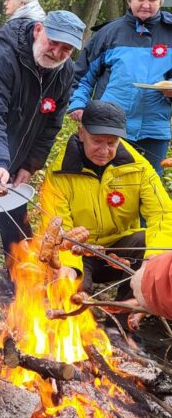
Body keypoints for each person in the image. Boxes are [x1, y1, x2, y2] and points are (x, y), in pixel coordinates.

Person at [0, 10, 85, 298]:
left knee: (15, 217)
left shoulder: (65, 72)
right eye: (53, 42)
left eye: (66, 48)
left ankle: (23, 282)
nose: (57, 52)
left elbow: (52, 124)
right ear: (38, 30)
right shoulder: (0, 57)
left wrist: (30, 164)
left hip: (16, 155)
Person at [40, 100, 172, 295]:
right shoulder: (59, 174)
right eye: (97, 141)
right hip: (79, 253)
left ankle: (125, 315)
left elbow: (162, 214)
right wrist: (68, 267)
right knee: (70, 290)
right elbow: (59, 227)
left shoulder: (138, 168)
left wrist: (152, 261)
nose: (104, 151)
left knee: (150, 243)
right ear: (81, 133)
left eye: (111, 143)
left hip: (121, 251)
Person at [68, 0, 172, 175]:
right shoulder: (108, 33)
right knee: (108, 183)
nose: (146, 5)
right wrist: (78, 103)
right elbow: (82, 76)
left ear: (161, 1)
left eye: (152, 0)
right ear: (129, 0)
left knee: (149, 187)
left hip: (155, 128)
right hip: (110, 127)